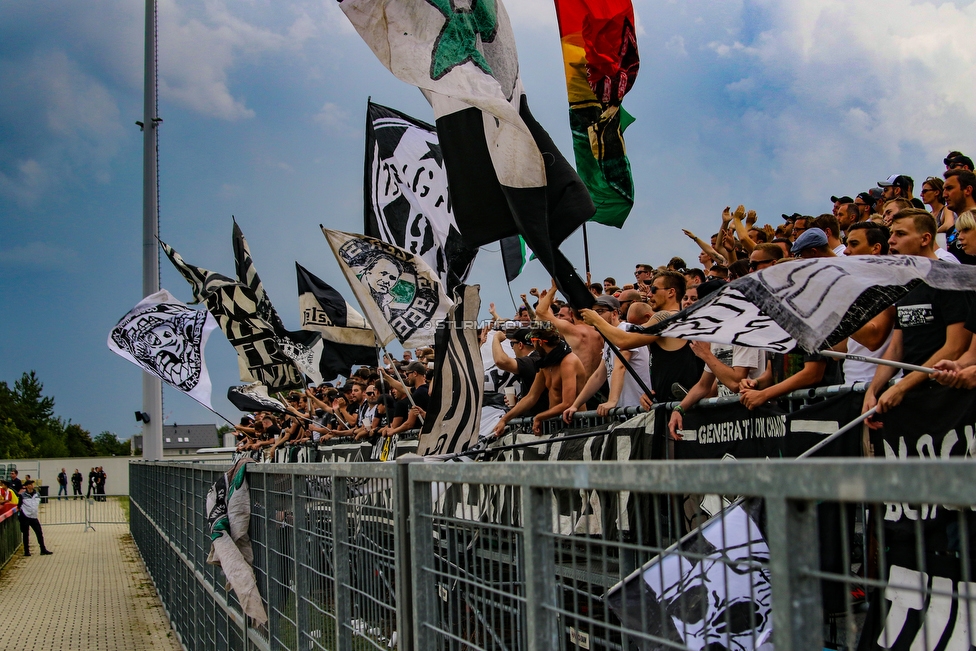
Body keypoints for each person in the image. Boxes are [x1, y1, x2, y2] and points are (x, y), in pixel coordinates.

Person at [863, 210, 974, 422]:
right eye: (891, 233)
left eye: (901, 234)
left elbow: (956, 347)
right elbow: (896, 347)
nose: (891, 241)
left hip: (948, 398)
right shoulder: (905, 284)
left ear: (925, 238)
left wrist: (902, 386)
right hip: (915, 398)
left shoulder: (949, 278)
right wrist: (873, 391)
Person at [493, 328, 587, 436]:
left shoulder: (568, 362)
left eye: (533, 341)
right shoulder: (545, 364)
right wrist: (504, 420)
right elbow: (531, 397)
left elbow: (567, 403)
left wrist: (539, 417)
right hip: (556, 426)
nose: (532, 344)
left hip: (575, 426)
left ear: (540, 342)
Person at [18, 480, 52, 556]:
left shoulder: (37, 494)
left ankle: (43, 549)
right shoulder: (22, 495)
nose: (31, 486)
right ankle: (26, 551)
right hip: (25, 517)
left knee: (39, 533)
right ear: (26, 486)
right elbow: (19, 506)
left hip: (34, 517)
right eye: (29, 484)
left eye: (32, 484)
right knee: (26, 534)